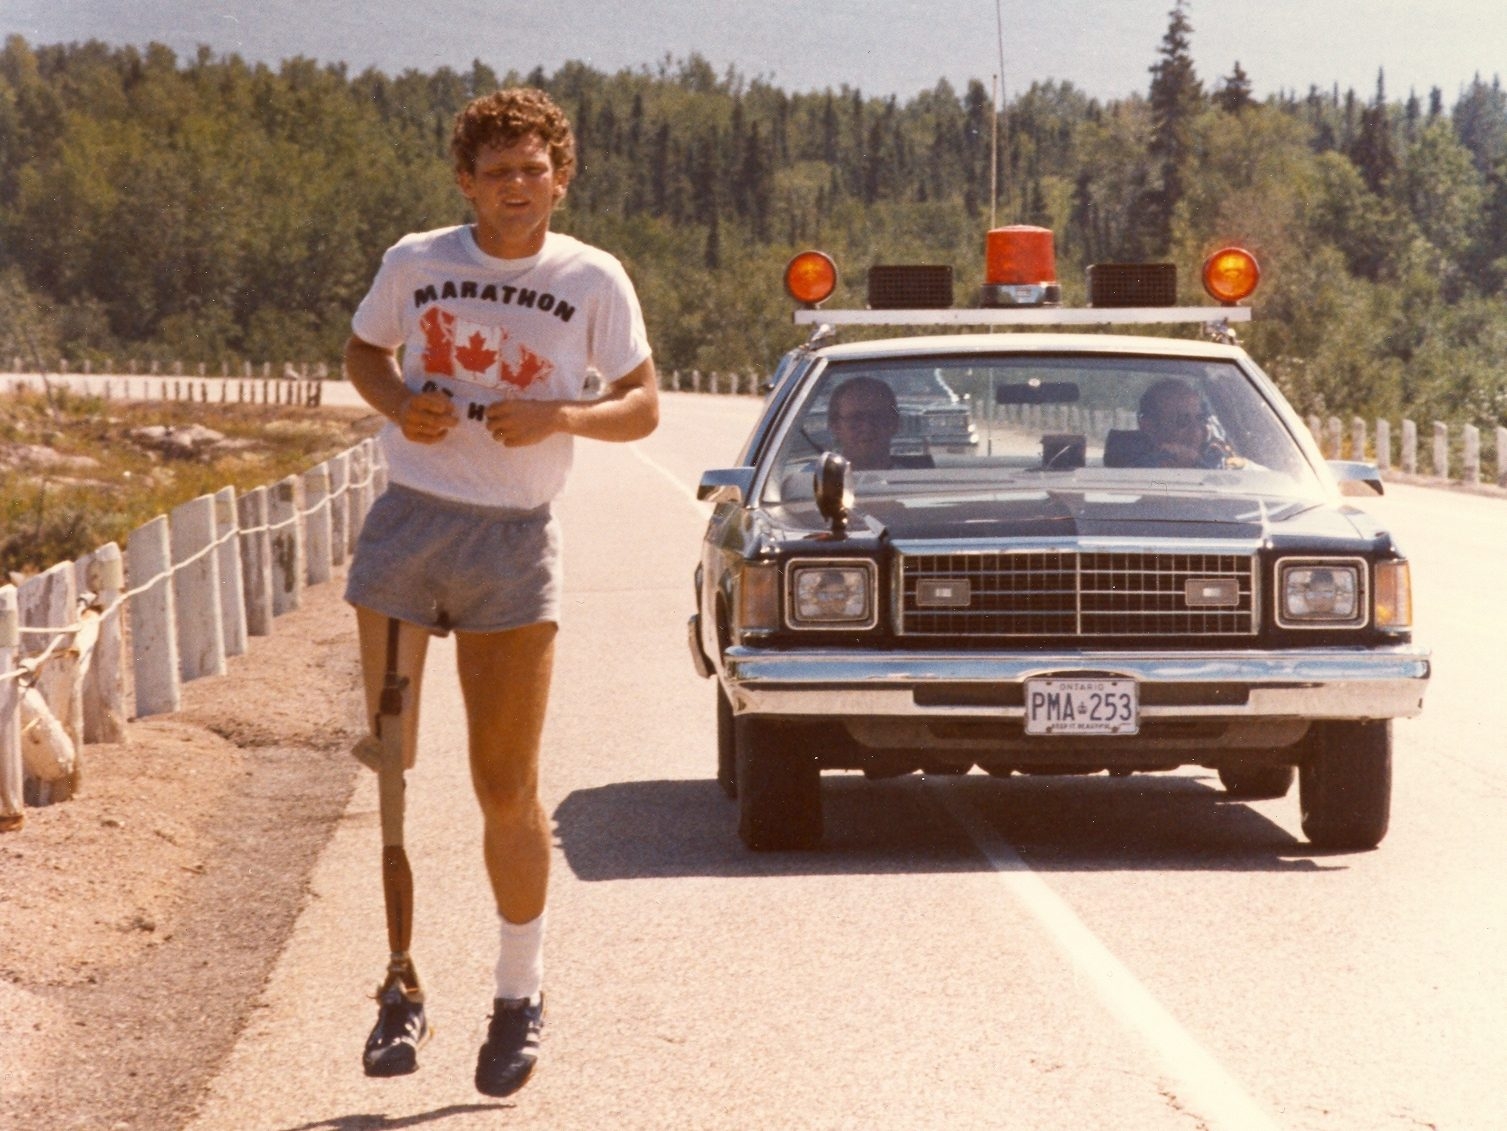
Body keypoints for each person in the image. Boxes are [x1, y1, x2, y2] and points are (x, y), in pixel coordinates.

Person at [342, 87, 658, 1097]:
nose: (517, 189)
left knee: (504, 784)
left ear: (560, 176)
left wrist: (562, 416)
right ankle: (399, 985)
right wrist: (401, 403)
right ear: (465, 182)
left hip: (514, 545)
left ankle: (517, 994)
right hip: (409, 521)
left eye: (534, 170)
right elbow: (364, 352)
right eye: (497, 172)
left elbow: (643, 404)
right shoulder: (415, 261)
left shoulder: (591, 277)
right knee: (391, 765)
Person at [825, 376, 929, 470]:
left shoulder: (919, 485)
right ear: (835, 426)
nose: (867, 427)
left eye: (877, 417)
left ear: (894, 424)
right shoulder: (814, 484)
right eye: (855, 419)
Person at [1130, 377, 1235, 469]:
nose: (1196, 431)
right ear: (1149, 426)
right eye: (1183, 420)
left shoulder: (1217, 459)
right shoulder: (1130, 467)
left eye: (1200, 418)